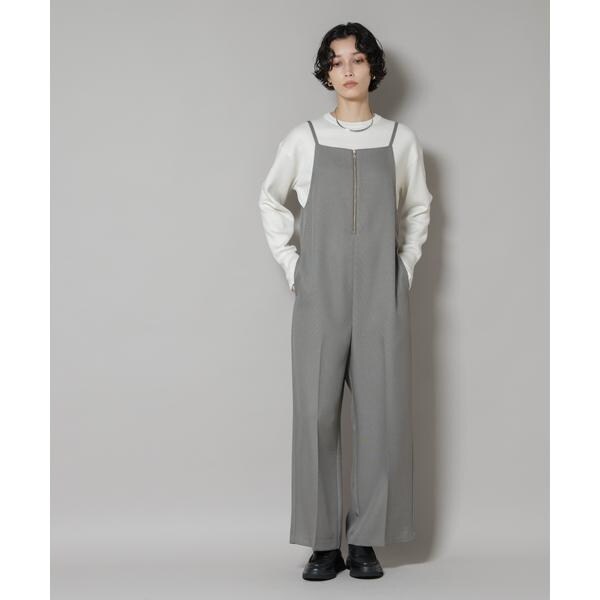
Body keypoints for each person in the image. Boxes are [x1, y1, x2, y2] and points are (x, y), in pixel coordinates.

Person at [258, 22, 433, 581]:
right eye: (336, 61)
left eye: (357, 59)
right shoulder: (304, 138)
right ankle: (322, 543)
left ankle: (364, 540)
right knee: (315, 415)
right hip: (321, 293)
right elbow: (271, 201)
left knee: (380, 416)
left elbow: (418, 209)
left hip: (382, 292)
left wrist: (403, 268)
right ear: (327, 73)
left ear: (373, 67)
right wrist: (294, 266)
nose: (348, 69)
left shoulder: (399, 139)